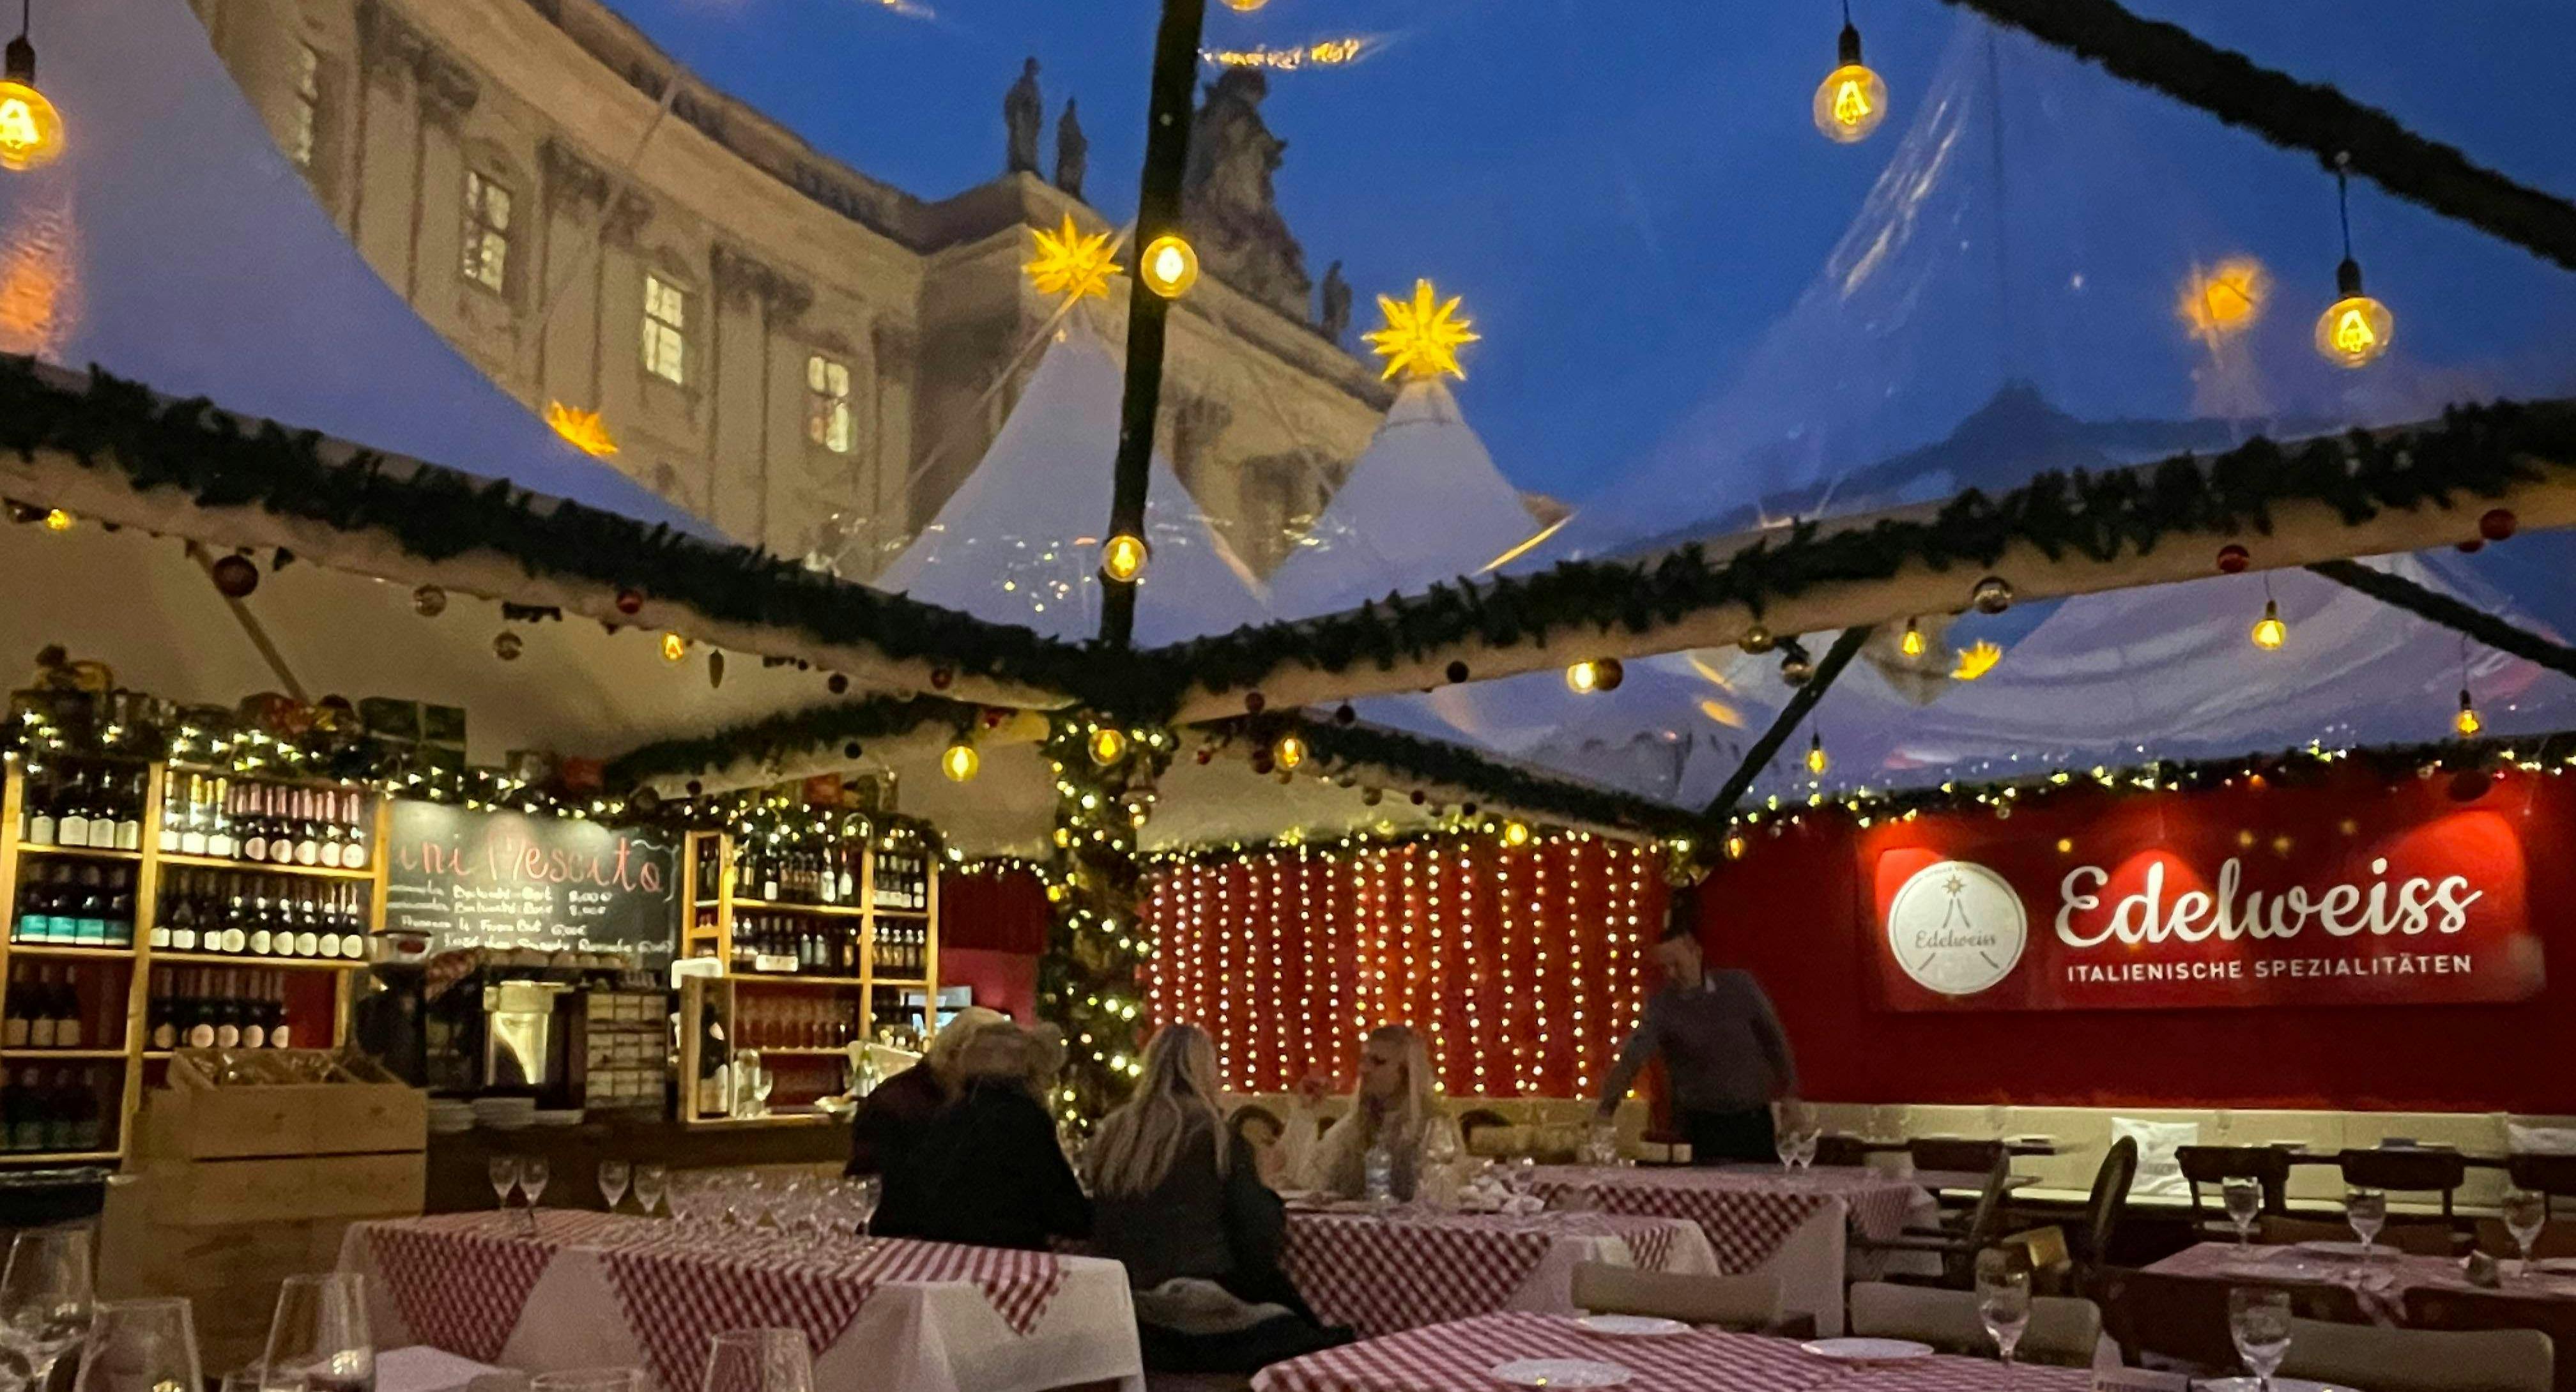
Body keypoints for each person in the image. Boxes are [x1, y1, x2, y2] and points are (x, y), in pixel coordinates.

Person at [1087, 1025, 1347, 1372]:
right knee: (1315, 1339)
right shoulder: (1216, 1136)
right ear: (1206, 1071)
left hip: (1126, 1305)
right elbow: (1258, 1234)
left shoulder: (1115, 1135)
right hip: (1201, 1306)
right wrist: (1265, 1191)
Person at [1596, 914, 1798, 1165]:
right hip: (1701, 1126)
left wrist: (1790, 1093)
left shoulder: (1740, 988)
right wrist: (1606, 1109)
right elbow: (1632, 1058)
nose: (1671, 973)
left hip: (1754, 1122)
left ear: (1696, 953)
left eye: (1676, 964)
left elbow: (1775, 1041)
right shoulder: (1662, 1008)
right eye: (1664, 968)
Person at [874, 1024, 1092, 1250]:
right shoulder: (1025, 1118)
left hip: (935, 1254)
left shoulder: (947, 1114)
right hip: (1005, 1263)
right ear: (1034, 1072)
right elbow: (1068, 1213)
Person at [844, 1006, 1006, 1178]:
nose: (992, 1078)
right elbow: (863, 1187)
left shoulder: (966, 1101)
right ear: (956, 1054)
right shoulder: (893, 1104)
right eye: (988, 1064)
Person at [1300, 1024, 1455, 1201]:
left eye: (1378, 1062)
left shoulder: (1433, 1128)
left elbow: (1437, 1203)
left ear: (1407, 1074)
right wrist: (1305, 1113)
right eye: (1364, 1061)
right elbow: (1306, 1183)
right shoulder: (1354, 1126)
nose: (1364, 1070)